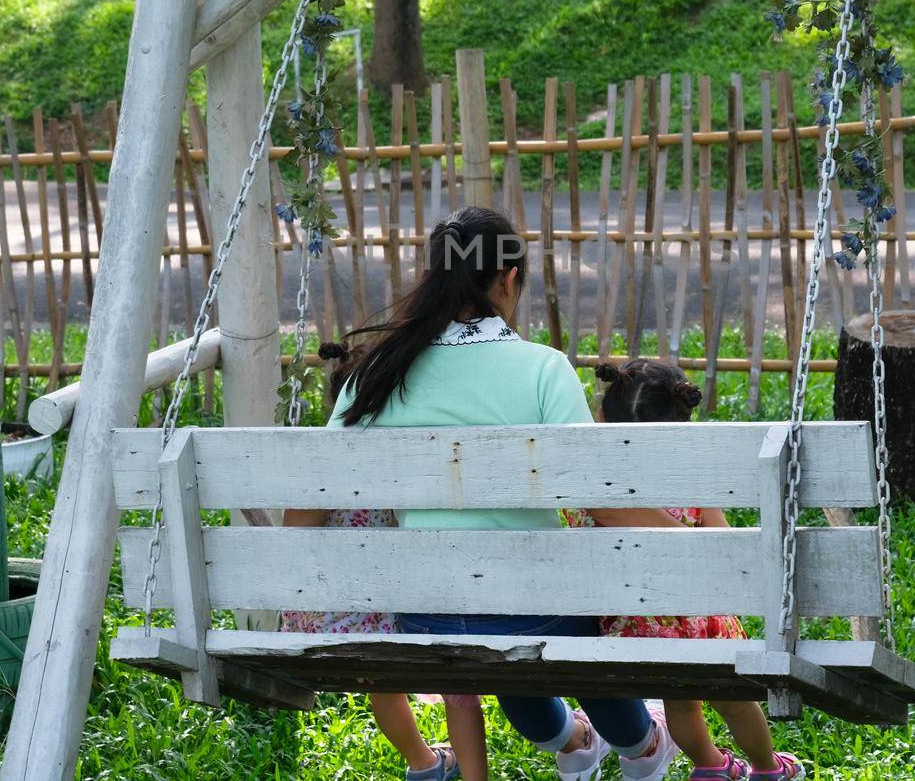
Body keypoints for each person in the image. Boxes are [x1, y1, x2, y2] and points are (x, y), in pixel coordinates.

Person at [321, 205, 682, 781]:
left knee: (507, 638)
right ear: (510, 279)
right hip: (541, 612)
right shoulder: (543, 369)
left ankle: (571, 737)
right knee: (560, 625)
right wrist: (685, 537)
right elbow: (603, 499)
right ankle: (641, 746)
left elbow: (313, 493)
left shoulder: (376, 374)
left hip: (426, 618)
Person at [572, 359, 806, 781]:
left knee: (681, 703)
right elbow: (724, 551)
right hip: (702, 626)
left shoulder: (594, 486)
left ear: (603, 419)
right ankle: (768, 768)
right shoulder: (693, 481)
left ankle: (710, 765)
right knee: (735, 701)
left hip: (632, 630)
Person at [281, 342, 488, 781]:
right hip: (384, 616)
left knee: (381, 682)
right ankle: (430, 765)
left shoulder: (325, 462)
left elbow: (294, 529)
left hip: (322, 619)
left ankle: (423, 761)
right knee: (391, 671)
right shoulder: (406, 457)